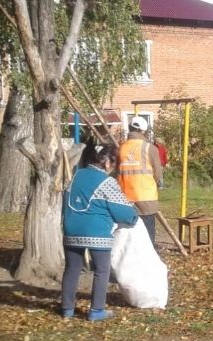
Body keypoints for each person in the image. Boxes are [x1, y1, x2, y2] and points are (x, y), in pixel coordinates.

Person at [61, 140, 138, 321]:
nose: (113, 169)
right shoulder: (106, 182)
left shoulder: (75, 176)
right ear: (107, 162)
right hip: (97, 232)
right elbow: (123, 211)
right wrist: (133, 217)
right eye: (114, 164)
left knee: (72, 269)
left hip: (71, 230)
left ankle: (67, 309)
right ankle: (96, 310)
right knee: (102, 270)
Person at [117, 116, 162, 244]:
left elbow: (116, 172)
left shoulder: (121, 148)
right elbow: (157, 173)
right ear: (143, 131)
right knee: (147, 235)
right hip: (146, 198)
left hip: (125, 199)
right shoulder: (149, 148)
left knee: (128, 235)